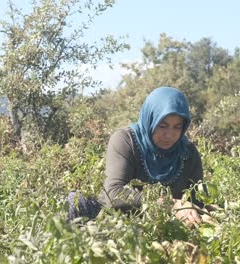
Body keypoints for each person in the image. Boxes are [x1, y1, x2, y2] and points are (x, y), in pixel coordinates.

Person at [68, 86, 207, 228]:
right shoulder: (126, 140)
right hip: (116, 223)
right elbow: (112, 193)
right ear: (151, 120)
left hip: (163, 228)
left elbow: (199, 202)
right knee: (76, 201)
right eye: (162, 125)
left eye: (177, 127)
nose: (169, 135)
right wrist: (170, 204)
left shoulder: (187, 153)